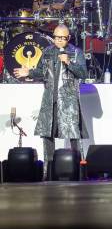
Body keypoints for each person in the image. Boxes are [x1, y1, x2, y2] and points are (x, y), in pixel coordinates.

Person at [13, 24, 88, 178]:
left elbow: (83, 73)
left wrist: (69, 62)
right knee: (47, 134)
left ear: (69, 38)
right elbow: (41, 71)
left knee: (73, 134)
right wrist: (29, 72)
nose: (59, 40)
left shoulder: (76, 53)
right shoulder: (47, 52)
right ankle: (49, 170)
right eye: (56, 37)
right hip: (49, 99)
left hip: (68, 101)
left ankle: (78, 170)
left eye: (62, 37)